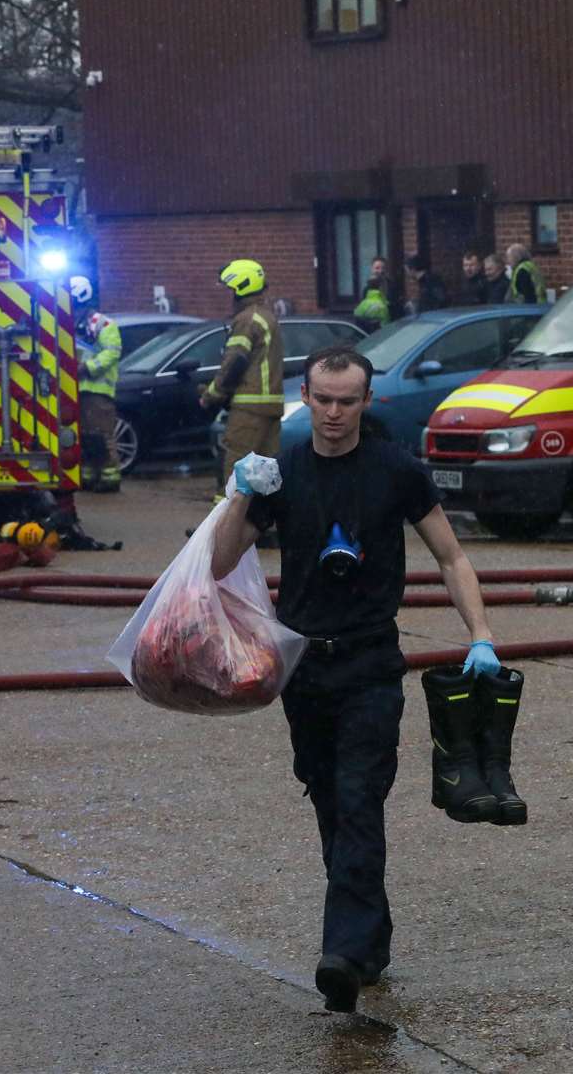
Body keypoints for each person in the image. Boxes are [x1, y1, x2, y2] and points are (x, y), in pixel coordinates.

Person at [210, 344, 503, 1015]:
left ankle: (340, 953)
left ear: (366, 401)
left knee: (358, 798)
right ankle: (368, 940)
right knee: (328, 801)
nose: (335, 412)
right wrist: (239, 497)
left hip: (371, 661)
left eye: (348, 400)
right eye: (324, 398)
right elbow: (223, 562)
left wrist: (480, 636)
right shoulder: (280, 473)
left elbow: (451, 556)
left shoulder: (396, 471)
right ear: (305, 399)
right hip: (303, 666)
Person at [202, 259, 285, 504]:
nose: (228, 296)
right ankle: (265, 525)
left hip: (249, 408)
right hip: (270, 406)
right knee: (264, 470)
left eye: (230, 289)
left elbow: (234, 363)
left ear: (241, 287)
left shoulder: (247, 319)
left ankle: (220, 528)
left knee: (234, 466)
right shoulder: (265, 316)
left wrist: (211, 395)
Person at [71, 277, 123, 492]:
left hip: (98, 390)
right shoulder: (67, 323)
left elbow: (113, 352)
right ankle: (89, 475)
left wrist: (88, 367)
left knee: (101, 435)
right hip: (74, 390)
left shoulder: (103, 324)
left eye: (74, 303)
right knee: (82, 436)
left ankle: (110, 477)